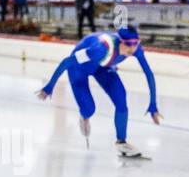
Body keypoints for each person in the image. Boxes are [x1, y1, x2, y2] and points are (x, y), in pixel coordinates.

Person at [36, 26, 162, 159]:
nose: (131, 49)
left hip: (102, 67)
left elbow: (149, 74)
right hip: (79, 69)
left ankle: (121, 142)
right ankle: (84, 116)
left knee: (121, 98)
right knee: (89, 109)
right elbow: (67, 62)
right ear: (120, 41)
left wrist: (153, 104)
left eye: (135, 43)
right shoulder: (101, 48)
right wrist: (50, 86)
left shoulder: (136, 49)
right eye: (128, 44)